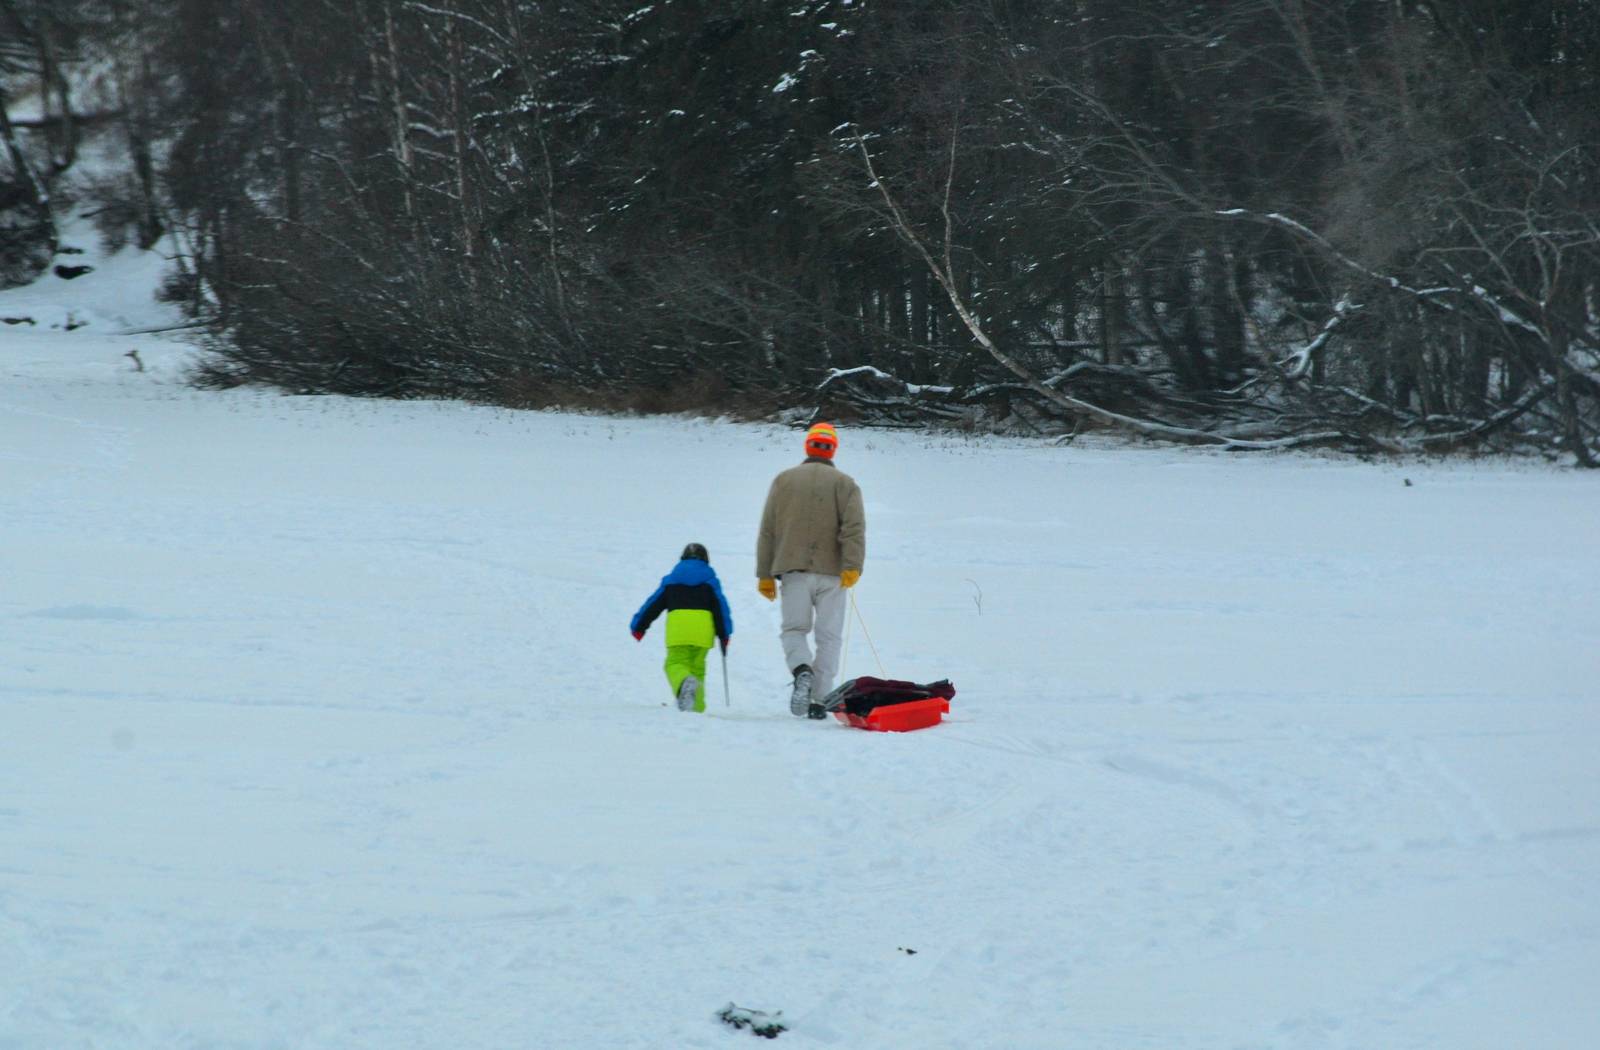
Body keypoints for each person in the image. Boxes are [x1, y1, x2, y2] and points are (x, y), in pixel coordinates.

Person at [755, 421, 866, 718]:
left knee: (794, 629)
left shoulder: (784, 481)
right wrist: (853, 565)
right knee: (829, 637)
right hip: (834, 573)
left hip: (793, 571)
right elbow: (853, 528)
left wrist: (764, 574)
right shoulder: (846, 484)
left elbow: (768, 530)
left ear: (808, 446)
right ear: (833, 449)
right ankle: (818, 700)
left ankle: (801, 668)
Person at [631, 543, 733, 712]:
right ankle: (696, 709)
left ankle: (683, 682)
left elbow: (653, 605)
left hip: (679, 630)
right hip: (702, 632)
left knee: (675, 663)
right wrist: (724, 634)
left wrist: (639, 626)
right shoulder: (710, 581)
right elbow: (721, 608)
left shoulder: (671, 581)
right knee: (698, 669)